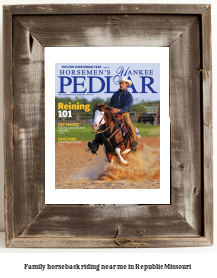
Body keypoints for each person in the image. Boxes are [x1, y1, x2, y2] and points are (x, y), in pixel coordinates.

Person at [88, 76, 138, 154]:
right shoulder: (115, 94)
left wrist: (118, 110)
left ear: (126, 84)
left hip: (124, 113)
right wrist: (111, 109)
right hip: (113, 113)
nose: (121, 85)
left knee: (128, 124)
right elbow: (111, 103)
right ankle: (95, 144)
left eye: (122, 83)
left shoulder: (128, 95)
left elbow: (127, 107)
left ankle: (133, 142)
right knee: (102, 126)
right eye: (120, 83)